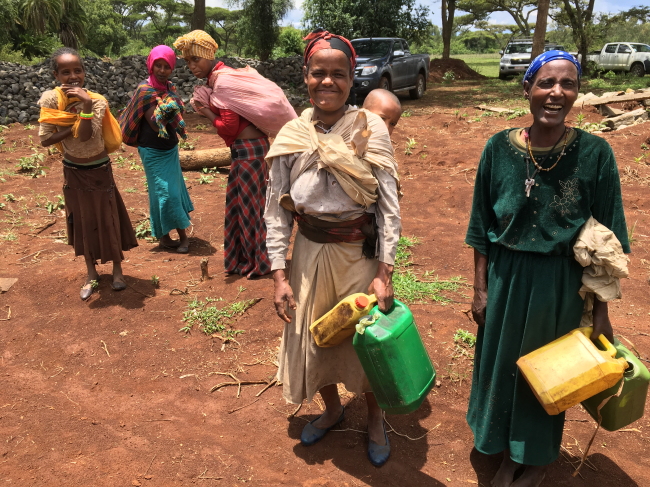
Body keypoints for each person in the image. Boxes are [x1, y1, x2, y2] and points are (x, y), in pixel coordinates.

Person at [465, 51, 630, 487]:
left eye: (568, 84)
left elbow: (609, 239)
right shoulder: (497, 148)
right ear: (527, 88)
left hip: (559, 285)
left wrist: (600, 313)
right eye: (546, 83)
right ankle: (504, 451)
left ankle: (534, 458)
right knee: (502, 368)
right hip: (505, 279)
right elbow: (481, 225)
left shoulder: (595, 153)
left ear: (577, 93)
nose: (556, 93)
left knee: (548, 376)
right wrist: (480, 290)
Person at [264, 29, 401, 467]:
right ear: (305, 76)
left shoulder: (369, 127)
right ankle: (332, 408)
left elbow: (389, 208)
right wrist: (279, 274)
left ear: (350, 78)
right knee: (315, 336)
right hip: (308, 253)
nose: (328, 82)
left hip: (359, 255)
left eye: (338, 74)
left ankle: (376, 420)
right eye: (318, 73)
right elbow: (276, 210)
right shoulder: (291, 135)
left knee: (368, 342)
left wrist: (385, 272)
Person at [38, 47, 138, 301]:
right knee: (81, 221)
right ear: (56, 74)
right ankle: (91, 272)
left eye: (77, 70)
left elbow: (85, 135)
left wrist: (85, 104)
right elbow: (46, 140)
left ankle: (117, 270)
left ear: (84, 72)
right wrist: (74, 122)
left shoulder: (97, 101)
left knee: (108, 219)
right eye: (66, 72)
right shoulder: (50, 101)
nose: (73, 76)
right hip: (73, 172)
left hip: (99, 170)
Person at [173, 30, 271, 278]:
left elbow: (228, 126)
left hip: (251, 154)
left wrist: (204, 110)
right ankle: (243, 260)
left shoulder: (223, 83)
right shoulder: (217, 80)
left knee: (250, 209)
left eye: (196, 59)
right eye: (187, 61)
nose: (192, 66)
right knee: (240, 207)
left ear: (208, 55)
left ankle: (258, 263)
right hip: (246, 152)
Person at [119, 45, 193, 254]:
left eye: (166, 66)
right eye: (158, 65)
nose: (161, 70)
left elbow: (177, 116)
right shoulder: (145, 91)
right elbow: (154, 123)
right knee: (164, 193)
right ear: (151, 65)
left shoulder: (170, 90)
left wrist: (172, 110)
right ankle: (177, 237)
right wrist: (167, 111)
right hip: (151, 151)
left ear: (172, 68)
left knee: (173, 192)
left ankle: (170, 236)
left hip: (170, 149)